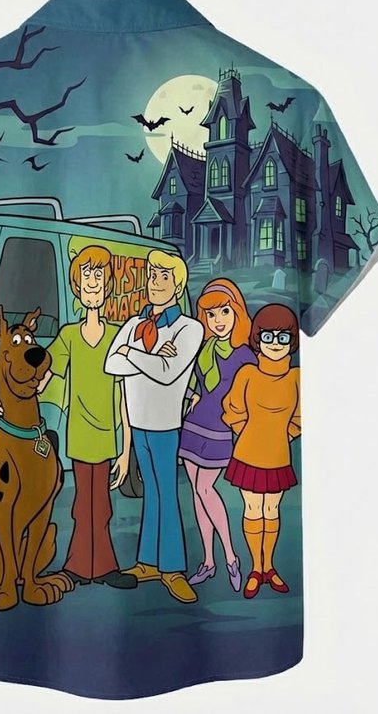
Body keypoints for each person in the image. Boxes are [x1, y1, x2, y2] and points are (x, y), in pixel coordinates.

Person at [0, 244, 136, 589]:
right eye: (86, 277)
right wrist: (7, 400)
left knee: (102, 506)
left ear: (108, 286)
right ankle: (78, 566)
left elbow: (125, 396)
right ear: (77, 286)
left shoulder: (117, 336)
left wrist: (126, 449)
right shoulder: (69, 335)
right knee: (82, 503)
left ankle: (104, 567)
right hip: (79, 434)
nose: (92, 284)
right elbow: (42, 374)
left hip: (107, 435)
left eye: (98, 277)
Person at [104, 249, 204, 603]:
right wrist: (144, 356)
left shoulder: (189, 328)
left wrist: (131, 354)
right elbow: (111, 364)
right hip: (138, 422)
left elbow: (167, 373)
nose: (155, 283)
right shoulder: (135, 323)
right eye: (151, 276)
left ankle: (173, 569)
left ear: (178, 285)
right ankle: (148, 562)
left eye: (163, 277)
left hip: (165, 424)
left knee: (166, 492)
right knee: (152, 494)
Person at [179, 279, 257, 592]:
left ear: (237, 312)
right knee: (197, 493)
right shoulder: (204, 350)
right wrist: (191, 395)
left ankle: (231, 556)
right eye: (211, 314)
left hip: (220, 429)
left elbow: (250, 398)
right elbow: (193, 383)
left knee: (205, 488)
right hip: (193, 424)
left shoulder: (245, 356)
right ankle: (209, 561)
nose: (218, 320)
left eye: (224, 311)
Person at [222, 304, 301, 599]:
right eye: (268, 336)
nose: (275, 344)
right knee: (253, 510)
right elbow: (232, 409)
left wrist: (282, 436)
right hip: (248, 454)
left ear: (292, 341)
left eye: (283, 337)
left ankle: (270, 567)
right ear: (258, 338)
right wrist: (249, 433)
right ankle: (256, 568)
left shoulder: (296, 377)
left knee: (272, 510)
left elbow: (300, 417)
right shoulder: (247, 374)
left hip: (279, 455)